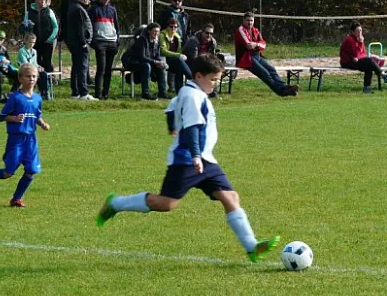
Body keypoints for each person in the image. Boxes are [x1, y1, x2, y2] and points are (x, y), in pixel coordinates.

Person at [96, 54, 280, 263]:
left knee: (231, 197)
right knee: (166, 204)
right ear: (198, 75)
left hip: (205, 159)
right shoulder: (193, 96)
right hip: (187, 159)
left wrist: (172, 126)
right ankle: (116, 204)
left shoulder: (190, 92)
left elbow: (172, 107)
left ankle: (252, 247)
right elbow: (192, 128)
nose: (214, 85)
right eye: (212, 80)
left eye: (217, 80)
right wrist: (194, 155)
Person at [0, 63, 50, 208]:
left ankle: (16, 198)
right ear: (20, 78)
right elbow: (2, 116)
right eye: (28, 76)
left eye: (34, 76)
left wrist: (42, 124)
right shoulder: (15, 98)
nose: (31, 79)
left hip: (31, 140)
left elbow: (36, 115)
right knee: (8, 173)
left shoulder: (37, 98)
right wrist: (14, 119)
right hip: (16, 139)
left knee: (31, 170)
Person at [235, 12, 298, 97]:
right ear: (243, 20)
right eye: (247, 20)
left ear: (254, 21)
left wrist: (256, 44)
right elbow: (249, 45)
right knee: (265, 73)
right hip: (246, 58)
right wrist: (258, 44)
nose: (249, 22)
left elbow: (263, 44)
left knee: (272, 70)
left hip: (257, 56)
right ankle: (282, 92)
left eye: (251, 20)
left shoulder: (255, 30)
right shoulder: (241, 30)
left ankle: (285, 87)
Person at [121, 22, 168, 100]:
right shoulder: (142, 40)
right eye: (154, 31)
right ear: (149, 31)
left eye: (158, 31)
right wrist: (155, 62)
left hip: (144, 62)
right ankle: (145, 93)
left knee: (160, 67)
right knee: (146, 66)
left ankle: (162, 92)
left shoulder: (156, 42)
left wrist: (160, 62)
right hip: (131, 61)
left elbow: (156, 56)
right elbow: (141, 57)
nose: (156, 33)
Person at [89, 0, 120, 100]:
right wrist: (93, 41)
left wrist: (118, 41)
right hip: (100, 41)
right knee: (101, 68)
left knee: (108, 70)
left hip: (112, 41)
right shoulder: (94, 9)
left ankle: (106, 93)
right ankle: (98, 93)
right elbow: (90, 26)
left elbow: (116, 26)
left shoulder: (112, 9)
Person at [66, 0, 97, 100]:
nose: (89, 2)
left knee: (76, 67)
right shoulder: (79, 9)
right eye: (89, 0)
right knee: (82, 67)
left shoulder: (74, 7)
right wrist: (83, 42)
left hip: (75, 43)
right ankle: (83, 93)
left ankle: (75, 92)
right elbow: (79, 28)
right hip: (80, 44)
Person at [158, 0, 191, 94]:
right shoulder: (166, 13)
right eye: (175, 0)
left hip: (181, 40)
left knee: (180, 65)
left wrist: (187, 39)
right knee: (178, 61)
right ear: (171, 0)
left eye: (179, 0)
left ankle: (179, 89)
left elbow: (188, 28)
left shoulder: (185, 14)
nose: (177, 2)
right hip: (167, 41)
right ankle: (191, 81)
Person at [339, 22, 386, 94]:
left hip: (355, 60)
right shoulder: (350, 40)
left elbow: (363, 53)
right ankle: (381, 73)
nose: (360, 33)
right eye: (357, 31)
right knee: (369, 61)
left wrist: (361, 45)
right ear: (352, 32)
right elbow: (356, 54)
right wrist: (360, 43)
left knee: (369, 66)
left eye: (361, 31)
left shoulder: (359, 39)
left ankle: (367, 89)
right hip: (347, 62)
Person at [24, 0, 58, 74]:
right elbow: (25, 28)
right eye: (41, 0)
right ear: (36, 1)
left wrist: (50, 38)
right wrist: (28, 38)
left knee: (47, 63)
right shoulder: (29, 13)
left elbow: (56, 27)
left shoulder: (49, 11)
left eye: (44, 0)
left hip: (47, 42)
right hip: (34, 43)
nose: (43, 2)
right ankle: (36, 81)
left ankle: (48, 82)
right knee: (35, 62)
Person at [160, 18, 192, 94]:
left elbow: (179, 51)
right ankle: (191, 77)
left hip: (174, 60)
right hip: (164, 59)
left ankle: (180, 92)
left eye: (175, 27)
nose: (173, 28)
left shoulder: (177, 37)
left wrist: (179, 55)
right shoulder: (162, 35)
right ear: (167, 27)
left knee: (179, 67)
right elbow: (163, 51)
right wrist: (179, 55)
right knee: (179, 61)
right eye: (171, 26)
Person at [17, 33, 50, 99]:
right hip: (24, 69)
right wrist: (35, 69)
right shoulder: (22, 51)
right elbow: (25, 63)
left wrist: (39, 67)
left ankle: (44, 92)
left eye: (33, 42)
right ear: (25, 41)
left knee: (44, 74)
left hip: (33, 69)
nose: (32, 44)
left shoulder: (34, 51)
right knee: (36, 74)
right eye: (30, 42)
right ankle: (39, 92)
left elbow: (35, 63)